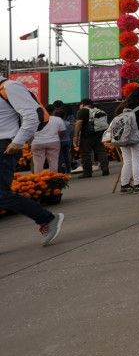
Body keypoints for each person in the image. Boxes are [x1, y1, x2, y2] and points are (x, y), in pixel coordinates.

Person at [0, 74, 64, 246]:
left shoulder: (9, 87)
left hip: (5, 146)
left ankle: (47, 218)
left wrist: (18, 142)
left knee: (2, 195)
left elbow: (31, 115)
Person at [73, 98, 109, 178]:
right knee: (101, 151)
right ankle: (105, 168)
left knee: (85, 154)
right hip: (99, 135)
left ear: (82, 104)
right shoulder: (98, 110)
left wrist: (76, 136)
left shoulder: (82, 111)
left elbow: (79, 123)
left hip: (86, 136)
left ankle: (87, 172)